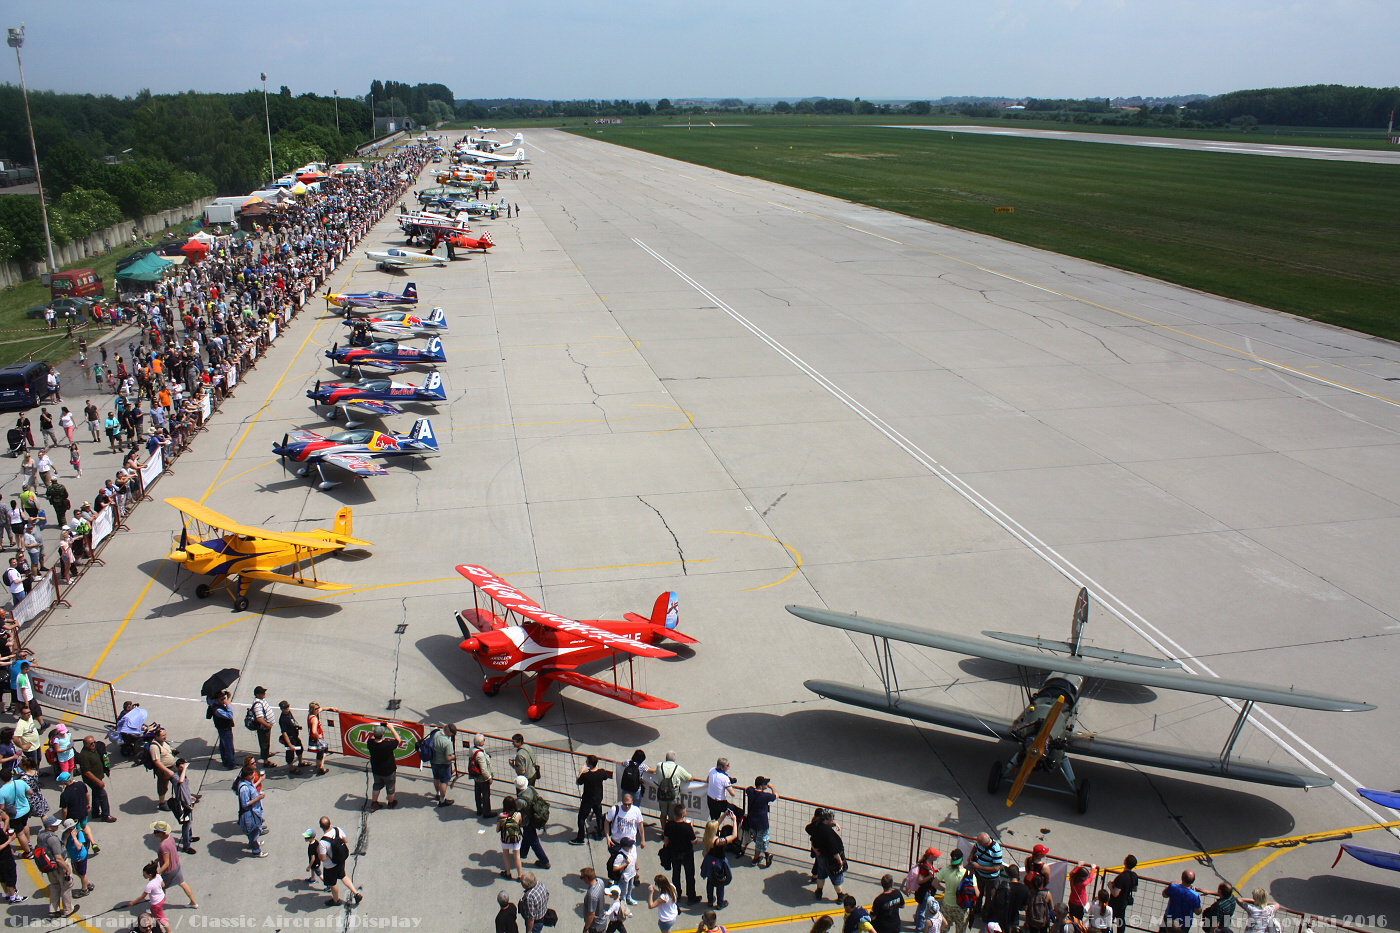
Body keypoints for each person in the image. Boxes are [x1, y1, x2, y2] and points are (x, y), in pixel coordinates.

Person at [317, 816, 363, 907]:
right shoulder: (337, 830)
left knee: (332, 883)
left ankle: (336, 900)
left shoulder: (322, 842)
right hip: (341, 860)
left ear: (321, 827)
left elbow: (322, 858)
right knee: (343, 876)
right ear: (330, 823)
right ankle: (356, 894)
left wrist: (318, 851)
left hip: (330, 866)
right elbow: (345, 840)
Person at [151, 819, 196, 906]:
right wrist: (158, 859)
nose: (154, 833)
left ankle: (158, 907)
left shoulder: (163, 846)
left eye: (156, 832)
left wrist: (157, 873)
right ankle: (193, 902)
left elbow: (166, 863)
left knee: (160, 887)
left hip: (169, 871)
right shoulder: (170, 837)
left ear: (161, 833)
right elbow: (169, 852)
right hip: (176, 865)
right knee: (182, 883)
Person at [35, 815, 73, 918]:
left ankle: (53, 910)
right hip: (59, 867)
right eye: (54, 825)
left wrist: (65, 837)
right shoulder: (53, 839)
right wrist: (67, 868)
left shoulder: (41, 835)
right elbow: (58, 858)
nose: (57, 826)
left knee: (55, 886)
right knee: (66, 886)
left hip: (49, 868)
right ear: (49, 827)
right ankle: (68, 909)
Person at [662, 802, 699, 905]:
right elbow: (694, 841)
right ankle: (691, 897)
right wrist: (692, 828)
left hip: (674, 853)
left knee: (676, 875)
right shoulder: (687, 827)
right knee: (690, 875)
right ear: (683, 814)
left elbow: (666, 840)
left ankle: (676, 894)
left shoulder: (669, 825)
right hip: (687, 854)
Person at [807, 808, 846, 902]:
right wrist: (839, 860)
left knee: (821, 874)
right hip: (831, 859)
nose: (833, 821)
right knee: (836, 878)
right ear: (826, 820)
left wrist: (813, 846)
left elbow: (808, 829)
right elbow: (833, 850)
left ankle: (819, 892)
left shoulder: (816, 825)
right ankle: (840, 896)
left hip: (821, 856)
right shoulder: (828, 833)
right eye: (831, 820)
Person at [574, 754, 613, 844]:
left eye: (586, 762)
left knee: (581, 818)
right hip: (598, 799)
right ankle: (600, 833)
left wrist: (581, 771)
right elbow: (605, 777)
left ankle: (580, 838)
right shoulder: (602, 772)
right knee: (599, 816)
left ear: (589, 764)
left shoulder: (585, 776)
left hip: (587, 800)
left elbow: (578, 782)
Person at [514, 775, 550, 869]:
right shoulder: (531, 789)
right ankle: (523, 852)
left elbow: (516, 810)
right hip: (534, 818)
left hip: (527, 821)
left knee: (533, 840)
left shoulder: (520, 801)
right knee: (527, 835)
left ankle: (544, 861)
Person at [122, 860, 168, 932]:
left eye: (144, 874)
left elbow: (142, 897)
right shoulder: (158, 876)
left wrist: (132, 903)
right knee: (155, 914)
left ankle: (168, 931)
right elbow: (163, 885)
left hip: (156, 903)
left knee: (161, 917)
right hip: (162, 898)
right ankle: (157, 926)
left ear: (149, 875)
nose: (143, 875)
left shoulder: (149, 885)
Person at [700, 818, 734, 910]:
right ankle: (720, 903)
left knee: (710, 880)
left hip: (709, 860)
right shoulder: (718, 841)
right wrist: (734, 821)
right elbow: (734, 836)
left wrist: (724, 815)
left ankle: (710, 900)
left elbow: (714, 825)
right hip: (718, 862)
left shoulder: (706, 837)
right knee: (720, 881)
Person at [234, 762, 266, 857]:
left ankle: (252, 843)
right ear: (246, 776)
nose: (253, 775)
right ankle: (256, 851)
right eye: (251, 774)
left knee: (254, 831)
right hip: (250, 815)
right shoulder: (244, 788)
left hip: (254, 812)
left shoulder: (248, 783)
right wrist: (258, 798)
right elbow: (245, 804)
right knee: (253, 831)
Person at [743, 776, 777, 867]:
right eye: (765, 784)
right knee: (761, 840)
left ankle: (765, 854)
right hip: (762, 823)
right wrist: (772, 787)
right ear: (762, 786)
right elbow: (776, 796)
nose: (766, 784)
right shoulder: (765, 796)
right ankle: (756, 859)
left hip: (752, 821)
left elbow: (749, 788)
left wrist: (757, 788)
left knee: (756, 838)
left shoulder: (750, 792)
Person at [654, 752, 690, 835]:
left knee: (663, 814)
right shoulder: (677, 768)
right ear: (674, 759)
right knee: (671, 816)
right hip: (673, 795)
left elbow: (656, 773)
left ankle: (663, 831)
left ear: (666, 758)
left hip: (662, 793)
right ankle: (669, 833)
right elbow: (688, 777)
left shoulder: (659, 766)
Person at [366, 724, 400, 811]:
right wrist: (391, 728)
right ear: (382, 735)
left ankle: (374, 803)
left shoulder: (370, 743)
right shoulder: (387, 745)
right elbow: (398, 740)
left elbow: (372, 738)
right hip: (388, 771)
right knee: (390, 787)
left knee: (377, 785)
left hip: (377, 770)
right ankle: (390, 804)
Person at [988, 863, 1030, 933]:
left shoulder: (1003, 886)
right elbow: (1025, 908)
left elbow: (997, 902)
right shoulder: (1025, 889)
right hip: (1014, 917)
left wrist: (993, 895)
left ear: (1008, 874)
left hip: (1002, 917)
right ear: (1018, 874)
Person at [936, 849, 971, 933]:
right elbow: (977, 893)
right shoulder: (969, 874)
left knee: (943, 928)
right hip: (962, 907)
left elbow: (934, 883)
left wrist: (944, 889)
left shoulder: (945, 870)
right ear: (962, 859)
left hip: (947, 905)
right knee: (960, 930)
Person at [169, 759, 198, 855]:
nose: (183, 769)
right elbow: (180, 782)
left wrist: (189, 796)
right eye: (181, 767)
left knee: (189, 821)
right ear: (177, 767)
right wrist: (184, 769)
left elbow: (185, 787)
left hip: (187, 801)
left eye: (183, 767)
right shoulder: (175, 777)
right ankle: (186, 846)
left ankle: (189, 837)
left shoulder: (183, 775)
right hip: (182, 804)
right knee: (186, 824)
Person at [61, 818, 92, 899]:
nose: (71, 831)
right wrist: (66, 838)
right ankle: (88, 883)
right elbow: (63, 846)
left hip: (80, 857)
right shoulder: (65, 835)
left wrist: (74, 837)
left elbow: (79, 847)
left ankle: (84, 890)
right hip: (73, 857)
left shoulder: (79, 833)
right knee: (75, 871)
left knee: (82, 874)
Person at [428, 723, 456, 807]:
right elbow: (448, 757)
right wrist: (453, 757)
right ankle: (442, 801)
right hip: (443, 765)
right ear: (450, 734)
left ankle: (438, 793)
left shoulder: (436, 734)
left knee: (436, 778)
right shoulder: (448, 743)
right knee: (443, 782)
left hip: (433, 761)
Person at [497, 794, 524, 880]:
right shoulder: (518, 814)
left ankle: (508, 873)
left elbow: (497, 829)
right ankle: (520, 876)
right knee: (517, 856)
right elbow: (520, 823)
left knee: (506, 855)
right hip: (516, 839)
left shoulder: (501, 816)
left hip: (505, 839)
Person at [1108, 856, 1138, 933]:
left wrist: (1110, 886)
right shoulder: (1134, 876)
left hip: (1114, 903)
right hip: (1124, 902)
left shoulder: (1121, 877)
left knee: (1109, 920)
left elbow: (1115, 893)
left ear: (1125, 862)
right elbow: (1135, 889)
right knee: (1120, 920)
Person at [469, 733, 495, 818]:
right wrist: (489, 778)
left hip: (476, 776)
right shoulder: (480, 754)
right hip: (482, 778)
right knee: (486, 795)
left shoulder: (472, 749)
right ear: (480, 743)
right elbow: (484, 769)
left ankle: (479, 810)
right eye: (484, 740)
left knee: (477, 793)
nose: (484, 741)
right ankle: (487, 812)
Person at [610, 836, 640, 905]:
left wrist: (637, 870)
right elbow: (615, 868)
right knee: (623, 893)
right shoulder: (620, 855)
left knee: (630, 889)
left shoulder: (633, 849)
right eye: (629, 845)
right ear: (624, 846)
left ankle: (629, 899)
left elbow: (635, 859)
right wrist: (625, 864)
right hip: (624, 876)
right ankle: (623, 906)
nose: (632, 846)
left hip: (632, 874)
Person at [250, 686, 274, 769]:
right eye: (262, 693)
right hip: (263, 727)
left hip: (266, 727)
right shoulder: (257, 705)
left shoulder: (261, 700)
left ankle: (266, 754)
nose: (264, 694)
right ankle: (266, 761)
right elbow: (259, 718)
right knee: (264, 743)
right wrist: (268, 725)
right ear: (257, 694)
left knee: (266, 742)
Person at [278, 700, 304, 773]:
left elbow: (292, 721)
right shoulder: (282, 719)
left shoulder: (289, 713)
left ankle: (300, 762)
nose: (287, 708)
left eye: (287, 707)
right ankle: (291, 768)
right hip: (289, 738)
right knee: (290, 754)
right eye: (285, 708)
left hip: (295, 736)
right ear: (281, 709)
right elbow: (284, 733)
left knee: (300, 749)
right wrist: (289, 744)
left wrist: (296, 726)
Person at [211, 692, 235, 768]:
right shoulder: (217, 710)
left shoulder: (219, 705)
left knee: (224, 746)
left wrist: (228, 698)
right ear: (216, 700)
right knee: (228, 747)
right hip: (224, 729)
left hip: (224, 729)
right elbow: (230, 716)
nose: (224, 701)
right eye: (222, 699)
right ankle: (230, 764)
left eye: (224, 698)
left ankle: (225, 761)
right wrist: (228, 705)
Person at [307, 702, 328, 774]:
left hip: (315, 738)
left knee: (323, 750)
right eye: (316, 709)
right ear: (312, 710)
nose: (318, 710)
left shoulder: (313, 714)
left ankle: (320, 765)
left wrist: (331, 708)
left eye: (318, 708)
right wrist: (319, 736)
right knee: (320, 752)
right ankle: (319, 767)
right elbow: (314, 731)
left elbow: (322, 709)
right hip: (316, 739)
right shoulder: (314, 719)